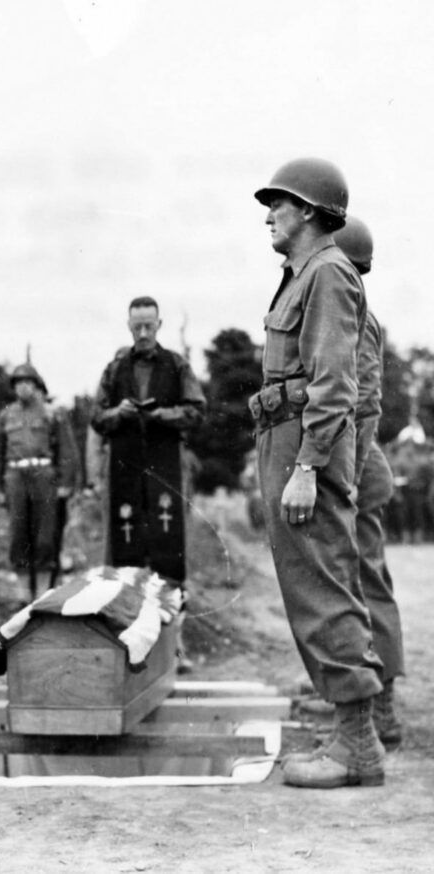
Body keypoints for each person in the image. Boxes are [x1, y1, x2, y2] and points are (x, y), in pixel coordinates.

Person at [249, 158, 385, 788]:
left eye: (278, 203)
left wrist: (306, 465)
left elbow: (335, 384)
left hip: (307, 445)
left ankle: (357, 745)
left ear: (308, 209)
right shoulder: (304, 274)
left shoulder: (328, 273)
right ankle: (348, 730)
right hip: (286, 437)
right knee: (312, 584)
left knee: (324, 585)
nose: (269, 215)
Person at [334, 216, 405, 750]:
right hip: (351, 470)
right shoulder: (347, 312)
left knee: (369, 586)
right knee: (351, 586)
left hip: (358, 473)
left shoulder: (358, 319)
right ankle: (362, 692)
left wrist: (350, 481)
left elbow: (365, 404)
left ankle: (382, 703)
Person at [91, 298, 205, 586]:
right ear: (129, 326)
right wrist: (118, 412)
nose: (143, 333)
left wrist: (162, 414)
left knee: (167, 533)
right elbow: (96, 416)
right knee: (126, 533)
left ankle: (168, 610)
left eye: (149, 327)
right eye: (137, 327)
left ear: (159, 326)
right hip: (124, 464)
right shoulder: (115, 369)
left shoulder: (177, 365)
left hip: (165, 461)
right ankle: (127, 609)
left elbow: (197, 410)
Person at [0, 364, 81, 600]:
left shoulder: (52, 413)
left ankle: (42, 594)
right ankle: (22, 596)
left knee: (44, 536)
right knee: (19, 534)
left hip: (44, 476)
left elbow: (67, 450)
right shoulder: (6, 416)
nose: (23, 388)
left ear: (37, 386)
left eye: (28, 383)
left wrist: (65, 484)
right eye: (18, 383)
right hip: (16, 477)